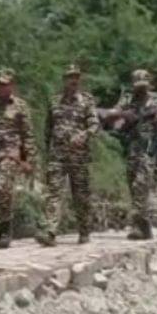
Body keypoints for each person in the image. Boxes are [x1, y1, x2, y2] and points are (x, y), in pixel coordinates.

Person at [38, 64, 99, 246]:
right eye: (70, 77)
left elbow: (95, 125)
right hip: (57, 155)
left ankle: (84, 230)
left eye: (76, 77)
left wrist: (84, 134)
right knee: (53, 193)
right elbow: (48, 129)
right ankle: (50, 231)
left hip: (79, 157)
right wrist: (46, 152)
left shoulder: (86, 101)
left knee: (81, 195)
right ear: (64, 80)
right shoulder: (54, 101)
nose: (73, 80)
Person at [0, 69, 36, 249]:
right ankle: (0, 231)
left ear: (11, 85)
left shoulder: (20, 106)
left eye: (4, 84)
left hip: (10, 153)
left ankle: (6, 228)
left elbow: (28, 135)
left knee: (2, 186)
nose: (1, 87)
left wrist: (29, 160)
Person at [105, 69, 157, 240]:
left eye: (143, 86)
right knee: (134, 186)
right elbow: (112, 115)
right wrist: (122, 115)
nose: (140, 90)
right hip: (132, 148)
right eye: (137, 86)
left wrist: (141, 117)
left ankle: (138, 226)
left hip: (148, 149)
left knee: (141, 184)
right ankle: (144, 225)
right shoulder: (128, 98)